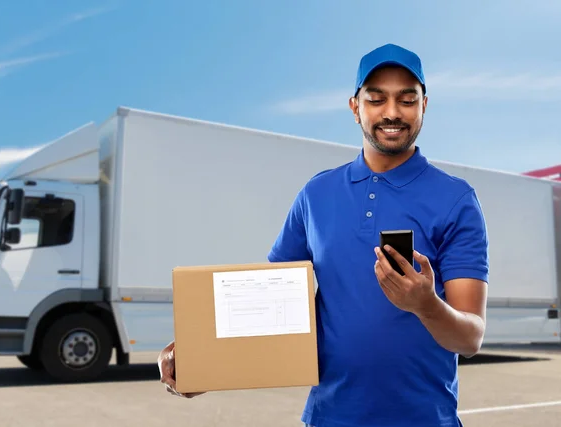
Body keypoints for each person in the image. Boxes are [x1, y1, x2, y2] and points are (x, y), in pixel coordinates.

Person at [158, 43, 489, 427]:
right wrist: (202, 360)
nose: (392, 112)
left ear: (424, 106)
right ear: (355, 107)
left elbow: (470, 339)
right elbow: (268, 306)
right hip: (329, 418)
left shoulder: (455, 199)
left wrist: (425, 304)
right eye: (377, 99)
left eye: (407, 99)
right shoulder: (316, 195)